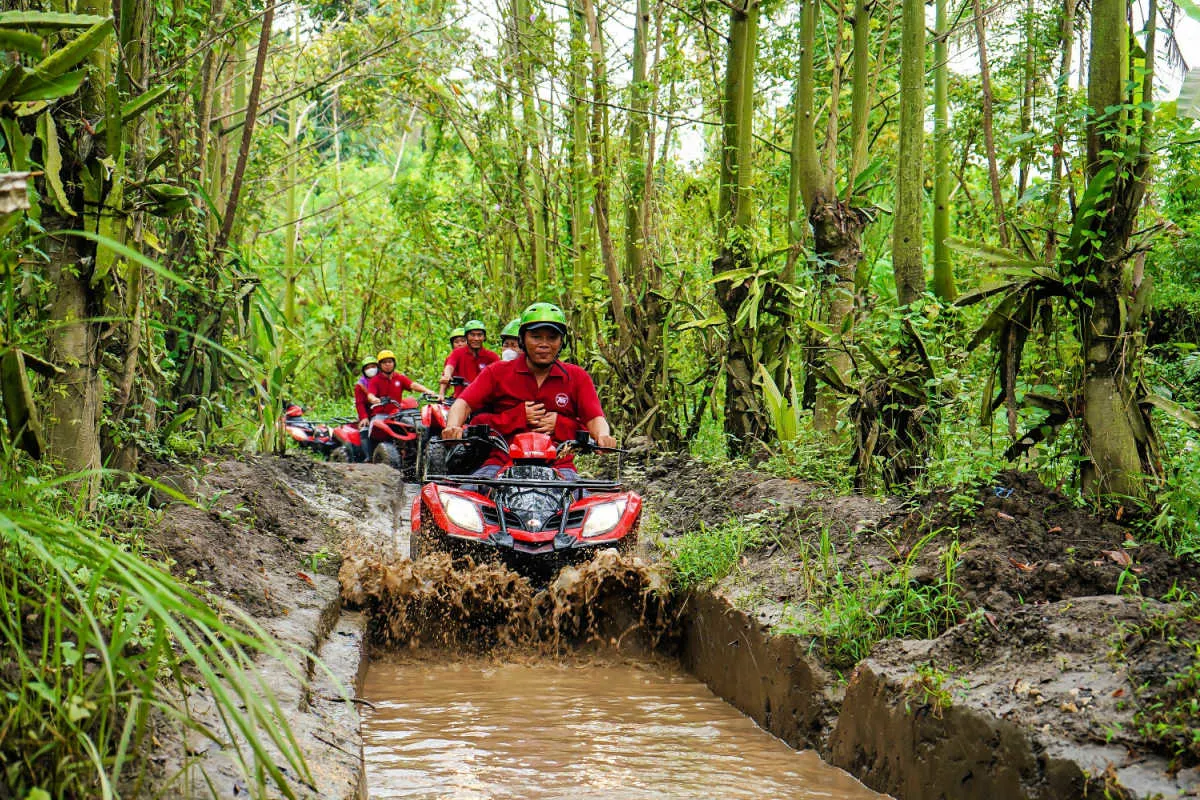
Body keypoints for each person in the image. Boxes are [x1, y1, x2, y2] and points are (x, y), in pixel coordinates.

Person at [442, 302, 616, 484]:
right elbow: (463, 404)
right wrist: (452, 427)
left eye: (552, 337)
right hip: (501, 464)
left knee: (589, 507)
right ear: (522, 339)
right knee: (463, 501)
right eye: (536, 337)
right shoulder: (497, 372)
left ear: (562, 341)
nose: (544, 344)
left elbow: (595, 418)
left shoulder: (577, 377)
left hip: (560, 468)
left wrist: (603, 436)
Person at [438, 319, 499, 400]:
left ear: (484, 337)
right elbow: (449, 366)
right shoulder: (458, 353)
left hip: (484, 401)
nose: (476, 338)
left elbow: (501, 374)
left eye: (479, 335)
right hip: (461, 400)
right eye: (472, 335)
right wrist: (447, 376)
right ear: (466, 337)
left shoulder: (491, 356)